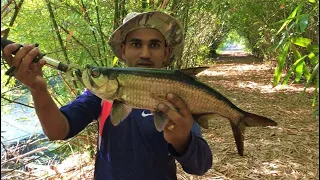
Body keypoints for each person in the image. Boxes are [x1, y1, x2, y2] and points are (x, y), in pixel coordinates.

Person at [2, 11, 212, 179]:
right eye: (136, 44)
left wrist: (183, 141)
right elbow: (58, 130)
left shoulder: (177, 96)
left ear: (166, 53)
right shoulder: (102, 95)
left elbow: (200, 166)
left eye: (154, 45)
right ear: (123, 50)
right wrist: (38, 90)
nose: (145, 53)